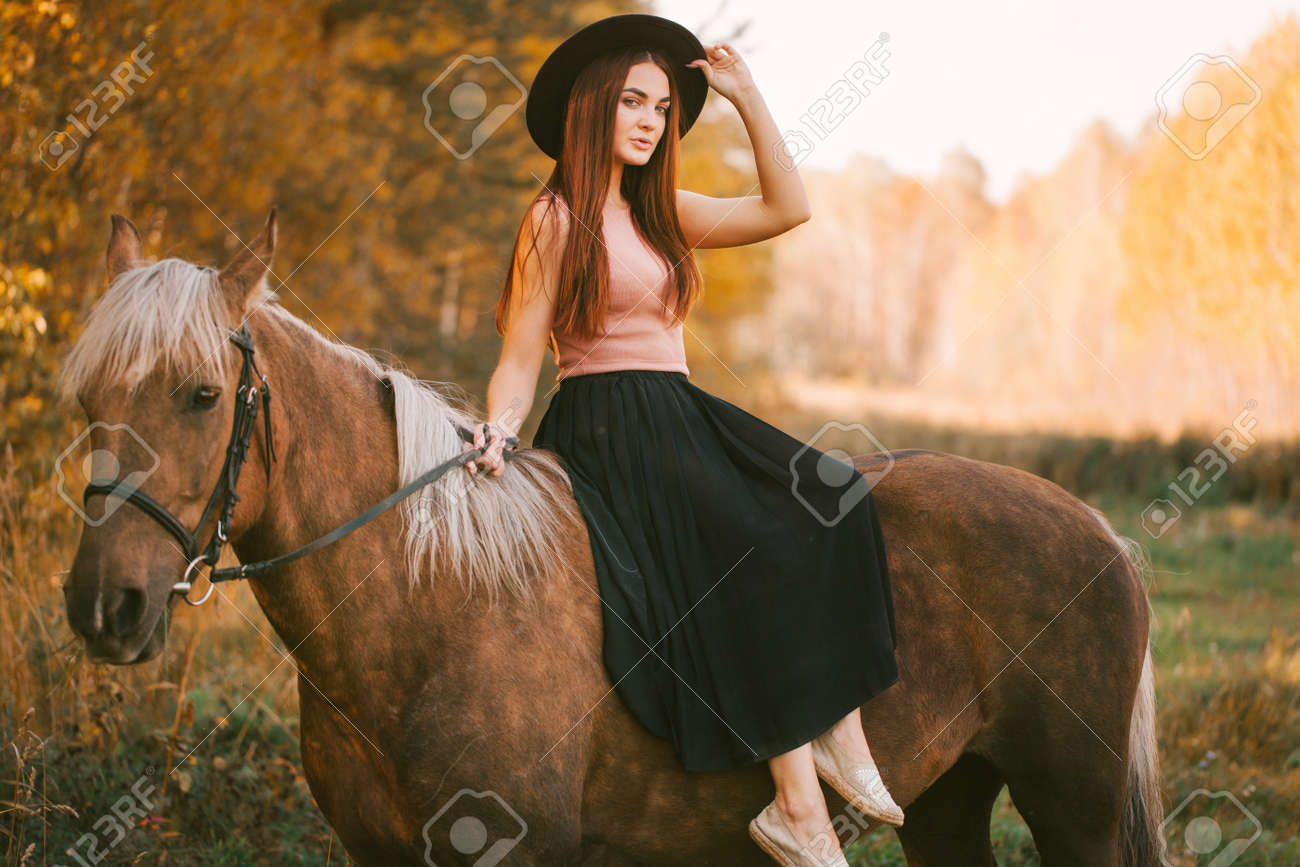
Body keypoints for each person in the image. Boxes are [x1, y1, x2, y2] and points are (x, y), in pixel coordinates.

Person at [461, 14, 903, 866]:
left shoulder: (664, 213)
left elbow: (790, 206)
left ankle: (838, 729)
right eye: (632, 102)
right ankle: (796, 808)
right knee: (745, 546)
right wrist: (500, 429)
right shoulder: (553, 219)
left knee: (835, 496)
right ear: (593, 108)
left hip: (680, 408)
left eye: (662, 108)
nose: (649, 122)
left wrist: (745, 98)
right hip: (607, 424)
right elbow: (519, 359)